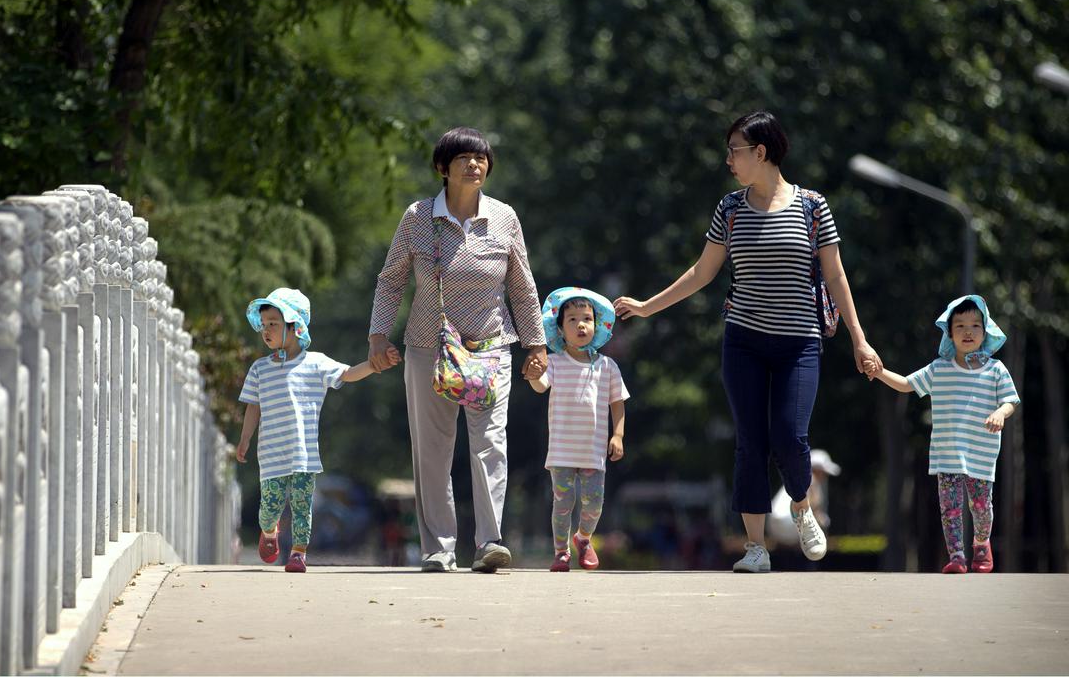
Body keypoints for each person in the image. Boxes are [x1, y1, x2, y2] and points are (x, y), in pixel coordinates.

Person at [614, 110, 882, 574]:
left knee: (790, 436)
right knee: (750, 442)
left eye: (734, 151)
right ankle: (755, 548)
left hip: (800, 342)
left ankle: (801, 505)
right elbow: (702, 273)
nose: (728, 160)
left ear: (761, 152)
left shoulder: (812, 207)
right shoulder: (730, 209)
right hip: (744, 342)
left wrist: (860, 341)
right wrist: (645, 307)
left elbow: (836, 276)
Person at [367, 127, 546, 573]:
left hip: (491, 348)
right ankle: (439, 548)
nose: (475, 165)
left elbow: (522, 287)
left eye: (482, 158)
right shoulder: (417, 217)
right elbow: (391, 280)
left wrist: (536, 344)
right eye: (464, 158)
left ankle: (489, 542)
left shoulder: (504, 217)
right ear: (442, 168)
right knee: (432, 450)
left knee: (490, 443)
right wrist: (377, 336)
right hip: (428, 348)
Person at [236, 288, 397, 573]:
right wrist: (245, 439)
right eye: (264, 325)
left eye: (273, 323)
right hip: (271, 455)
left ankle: (298, 553)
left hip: (304, 455)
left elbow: (347, 374)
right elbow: (253, 407)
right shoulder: (259, 369)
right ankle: (269, 531)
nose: (266, 331)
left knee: (302, 507)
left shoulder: (316, 363)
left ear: (295, 327)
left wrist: (373, 365)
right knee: (269, 509)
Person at [866, 295, 1019, 574]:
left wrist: (1001, 413)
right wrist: (879, 372)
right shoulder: (939, 369)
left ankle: (981, 543)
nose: (968, 331)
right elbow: (905, 384)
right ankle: (957, 556)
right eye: (960, 326)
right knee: (950, 509)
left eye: (975, 325)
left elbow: (1010, 401)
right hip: (947, 453)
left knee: (981, 508)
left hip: (981, 454)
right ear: (949, 334)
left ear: (986, 332)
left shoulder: (996, 369)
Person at [526, 288, 629, 571]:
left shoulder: (607, 366)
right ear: (560, 329)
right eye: (571, 319)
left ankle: (583, 538)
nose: (580, 324)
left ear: (596, 326)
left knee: (594, 503)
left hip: (592, 451)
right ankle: (561, 552)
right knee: (563, 503)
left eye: (586, 318)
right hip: (561, 451)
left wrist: (617, 435)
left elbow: (617, 403)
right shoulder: (555, 362)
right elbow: (540, 386)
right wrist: (534, 375)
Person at [766, 449, 841, 545]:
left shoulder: (794, 481)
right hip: (790, 525)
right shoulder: (811, 481)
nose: (824, 477)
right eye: (824, 473)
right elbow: (815, 510)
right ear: (817, 470)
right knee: (820, 522)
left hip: (772, 525)